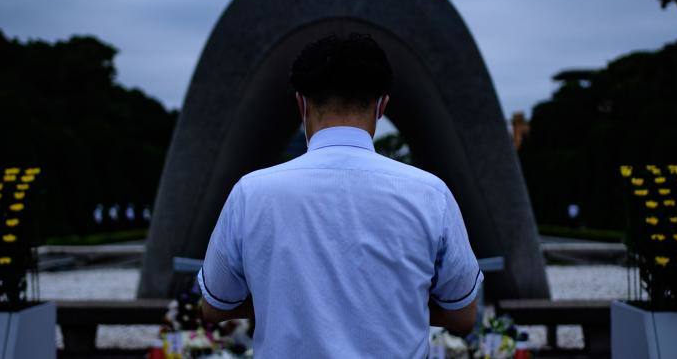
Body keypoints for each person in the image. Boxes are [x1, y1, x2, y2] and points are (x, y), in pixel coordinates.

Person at [198, 32, 483, 358]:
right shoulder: (431, 194)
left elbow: (214, 306)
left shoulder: (250, 192)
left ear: (301, 103)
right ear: (381, 106)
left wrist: (283, 303)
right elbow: (464, 315)